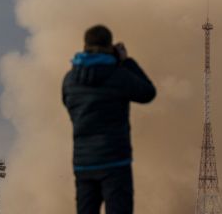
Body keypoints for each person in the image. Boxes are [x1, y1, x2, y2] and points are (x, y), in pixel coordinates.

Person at [62, 24, 157, 214]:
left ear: (85, 46)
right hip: (115, 162)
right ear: (110, 46)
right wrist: (126, 61)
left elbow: (68, 104)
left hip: (83, 164)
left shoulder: (70, 79)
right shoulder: (118, 75)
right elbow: (148, 93)